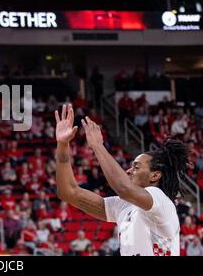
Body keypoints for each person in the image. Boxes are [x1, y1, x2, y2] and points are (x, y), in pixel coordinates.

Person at [55, 104, 188, 256]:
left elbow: (123, 188)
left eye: (136, 167)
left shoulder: (160, 200)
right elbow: (68, 192)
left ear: (155, 176)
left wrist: (98, 146)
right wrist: (62, 144)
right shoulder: (123, 205)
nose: (129, 171)